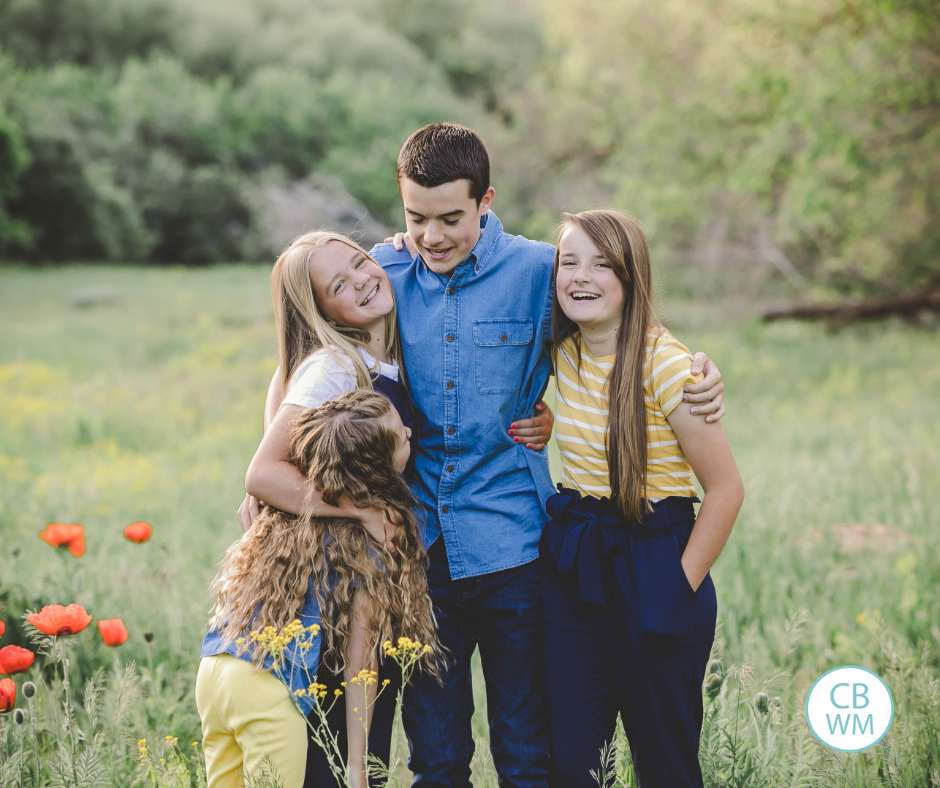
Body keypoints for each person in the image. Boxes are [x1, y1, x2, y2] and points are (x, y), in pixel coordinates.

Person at [377, 122, 726, 786]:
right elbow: (311, 324)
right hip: (420, 551)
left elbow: (623, 307)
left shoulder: (543, 269)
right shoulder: (385, 268)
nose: (433, 236)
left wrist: (701, 370)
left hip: (517, 547)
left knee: (528, 749)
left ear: (486, 201)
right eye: (416, 219)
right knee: (437, 756)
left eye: (451, 217)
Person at [235, 229, 552, 781]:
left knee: (371, 742)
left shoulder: (384, 354)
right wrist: (354, 509)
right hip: (338, 586)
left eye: (360, 262)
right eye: (339, 283)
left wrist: (536, 411)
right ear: (322, 311)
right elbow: (263, 471)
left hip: (382, 578)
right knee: (343, 755)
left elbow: (285, 378)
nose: (361, 279)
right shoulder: (336, 366)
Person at [540, 210, 744, 787]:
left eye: (602, 264)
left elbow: (726, 490)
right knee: (574, 759)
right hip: (578, 556)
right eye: (569, 262)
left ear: (632, 276)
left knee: (665, 760)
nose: (582, 276)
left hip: (655, 555)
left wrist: (678, 588)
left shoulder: (668, 364)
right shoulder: (561, 347)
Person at [197, 390, 440, 788]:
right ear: (377, 469)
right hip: (267, 690)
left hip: (215, 671)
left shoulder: (287, 514)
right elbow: (361, 663)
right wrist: (358, 765)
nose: (410, 431)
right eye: (400, 435)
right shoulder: (371, 544)